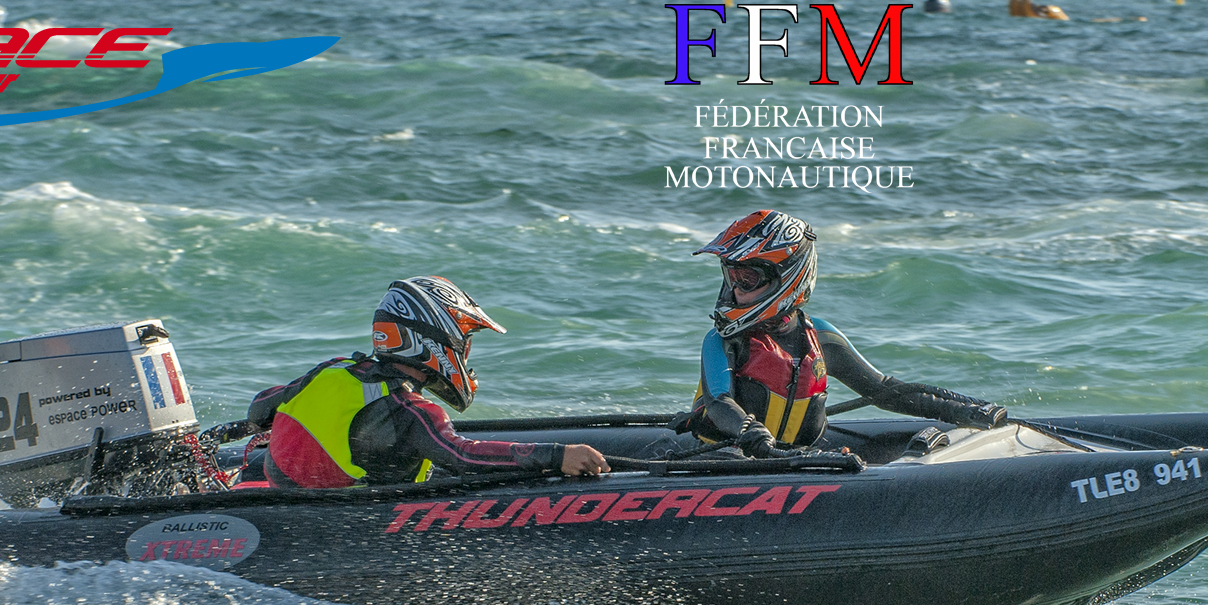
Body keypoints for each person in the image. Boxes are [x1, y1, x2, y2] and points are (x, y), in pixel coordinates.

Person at [684, 209, 1008, 457]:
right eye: (732, 278)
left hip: (799, 459)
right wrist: (749, 432)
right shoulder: (723, 342)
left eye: (747, 279)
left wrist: (961, 412)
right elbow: (719, 402)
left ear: (787, 278)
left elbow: (883, 390)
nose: (735, 290)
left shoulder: (820, 337)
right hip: (723, 457)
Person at [246, 275, 609, 488]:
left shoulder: (333, 370)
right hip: (348, 527)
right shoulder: (410, 411)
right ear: (434, 340)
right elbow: (462, 456)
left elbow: (260, 409)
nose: (465, 352)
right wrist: (558, 455)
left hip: (287, 502)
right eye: (464, 341)